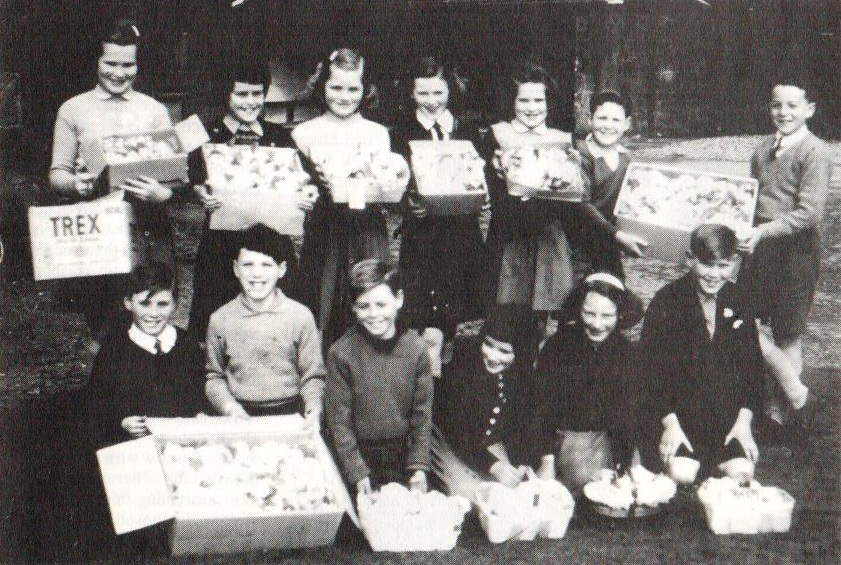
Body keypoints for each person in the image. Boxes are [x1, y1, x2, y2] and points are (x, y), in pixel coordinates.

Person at [49, 17, 177, 350]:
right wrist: (74, 184)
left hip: (146, 230)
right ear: (96, 62)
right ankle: (105, 397)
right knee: (102, 326)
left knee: (148, 314)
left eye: (128, 64)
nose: (119, 73)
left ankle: (147, 396)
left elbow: (175, 180)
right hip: (97, 230)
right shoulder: (73, 109)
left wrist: (161, 193)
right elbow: (57, 173)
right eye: (111, 63)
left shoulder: (154, 110)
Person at [188, 60, 316, 341]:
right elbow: (189, 180)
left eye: (257, 94)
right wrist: (199, 192)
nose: (250, 102)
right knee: (218, 327)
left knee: (275, 327)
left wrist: (308, 194)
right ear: (226, 95)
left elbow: (306, 180)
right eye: (241, 94)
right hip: (221, 247)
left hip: (272, 244)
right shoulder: (206, 137)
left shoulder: (281, 137)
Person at [85, 261, 203, 559]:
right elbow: (99, 401)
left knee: (180, 533)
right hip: (133, 450)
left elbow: (197, 392)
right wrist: (122, 421)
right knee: (138, 537)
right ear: (128, 303)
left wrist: (198, 416)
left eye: (163, 303)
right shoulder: (115, 349)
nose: (153, 313)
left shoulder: (186, 344)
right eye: (144, 303)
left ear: (175, 304)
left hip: (178, 446)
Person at [737, 77, 830, 437]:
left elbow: (810, 214)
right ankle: (791, 398)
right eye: (777, 105)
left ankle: (785, 412)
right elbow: (749, 201)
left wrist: (761, 231)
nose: (784, 112)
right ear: (769, 109)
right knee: (747, 321)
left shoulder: (815, 151)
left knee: (788, 331)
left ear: (809, 110)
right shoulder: (761, 150)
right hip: (760, 251)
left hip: (796, 252)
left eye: (793, 106)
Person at [639, 224, 763, 478]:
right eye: (707, 264)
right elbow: (649, 372)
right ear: (689, 259)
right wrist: (669, 424)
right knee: (682, 473)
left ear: (735, 263)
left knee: (741, 472)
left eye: (723, 266)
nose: (714, 275)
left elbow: (753, 368)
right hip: (679, 415)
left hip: (725, 418)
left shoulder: (739, 299)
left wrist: (744, 421)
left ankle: (719, 461)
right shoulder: (667, 301)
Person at [292, 48, 394, 351]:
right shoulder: (303, 133)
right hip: (325, 229)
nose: (345, 96)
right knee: (322, 302)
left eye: (353, 88)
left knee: (370, 295)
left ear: (365, 89)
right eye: (336, 87)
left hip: (367, 228)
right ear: (322, 87)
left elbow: (387, 185)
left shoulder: (377, 134)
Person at [391, 55, 487, 375]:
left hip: (460, 231)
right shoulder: (402, 132)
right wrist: (408, 202)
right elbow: (393, 180)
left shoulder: (467, 129)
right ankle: (424, 370)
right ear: (411, 94)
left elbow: (481, 177)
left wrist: (478, 193)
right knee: (420, 306)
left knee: (452, 303)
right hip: (422, 234)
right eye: (423, 94)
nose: (431, 102)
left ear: (450, 91)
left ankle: (447, 367)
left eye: (438, 93)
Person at [482, 59, 581, 367]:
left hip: (549, 239)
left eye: (539, 99)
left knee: (548, 318)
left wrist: (572, 173)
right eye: (523, 99)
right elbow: (485, 190)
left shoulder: (562, 140)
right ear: (512, 101)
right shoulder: (497, 136)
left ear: (549, 102)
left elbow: (572, 196)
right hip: (511, 238)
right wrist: (496, 170)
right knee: (508, 317)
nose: (531, 106)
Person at [528, 273, 644, 492]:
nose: (597, 324)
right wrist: (546, 460)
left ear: (619, 315)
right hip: (565, 436)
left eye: (607, 316)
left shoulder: (627, 353)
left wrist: (627, 462)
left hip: (606, 437)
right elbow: (542, 406)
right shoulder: (558, 346)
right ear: (578, 310)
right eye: (589, 314)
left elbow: (628, 413)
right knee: (582, 477)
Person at [326, 259, 432, 495]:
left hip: (403, 456)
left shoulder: (416, 350)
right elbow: (339, 423)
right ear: (353, 307)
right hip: (357, 455)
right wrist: (356, 471)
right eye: (363, 306)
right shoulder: (341, 354)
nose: (373, 315)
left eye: (381, 304)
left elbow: (422, 417)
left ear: (399, 299)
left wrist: (419, 467)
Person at [204, 223, 325, 423]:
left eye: (266, 265)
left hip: (290, 412)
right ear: (236, 269)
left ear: (281, 269)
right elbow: (214, 377)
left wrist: (313, 407)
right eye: (248, 265)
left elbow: (313, 376)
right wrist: (229, 407)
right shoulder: (220, 319)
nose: (256, 274)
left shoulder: (300, 316)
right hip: (240, 414)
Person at [432, 305, 531, 500]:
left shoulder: (520, 377)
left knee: (511, 490)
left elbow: (523, 424)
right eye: (488, 344)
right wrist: (493, 465)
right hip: (447, 438)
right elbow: (457, 431)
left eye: (504, 351)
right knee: (471, 492)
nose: (492, 356)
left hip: (484, 441)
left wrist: (521, 461)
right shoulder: (462, 367)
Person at [571, 91, 648, 277]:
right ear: (590, 119)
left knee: (613, 295)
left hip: (608, 245)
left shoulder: (627, 159)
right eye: (602, 118)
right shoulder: (579, 153)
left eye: (615, 120)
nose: (608, 126)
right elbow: (581, 203)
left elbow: (630, 204)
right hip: (576, 246)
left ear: (627, 124)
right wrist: (618, 236)